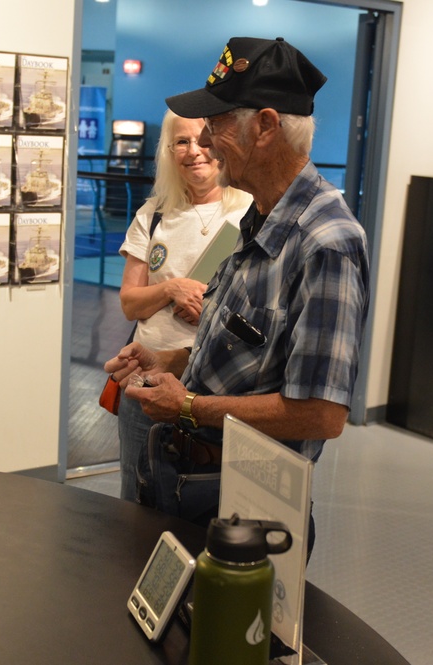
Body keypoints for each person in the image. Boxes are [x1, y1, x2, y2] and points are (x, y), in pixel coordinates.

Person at [104, 37, 370, 554]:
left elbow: (321, 414)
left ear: (266, 127)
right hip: (195, 482)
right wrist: (169, 359)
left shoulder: (326, 244)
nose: (205, 139)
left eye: (219, 122)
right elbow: (239, 349)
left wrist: (187, 407)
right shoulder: (258, 220)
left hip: (251, 501)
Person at [116, 109, 252, 500]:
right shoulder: (154, 214)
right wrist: (171, 289)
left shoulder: (251, 215)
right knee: (136, 494)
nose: (194, 151)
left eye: (202, 139)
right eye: (181, 142)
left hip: (214, 386)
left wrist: (208, 312)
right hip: (145, 381)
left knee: (207, 500)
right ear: (169, 151)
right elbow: (129, 303)